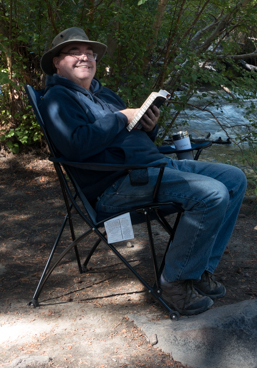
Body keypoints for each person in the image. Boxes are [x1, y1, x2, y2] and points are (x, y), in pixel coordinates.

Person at [38, 27, 246, 316]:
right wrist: (120, 117)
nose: (84, 57)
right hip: (116, 184)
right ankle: (175, 282)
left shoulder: (105, 94)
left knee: (234, 178)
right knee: (212, 193)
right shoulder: (57, 98)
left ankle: (199, 270)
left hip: (154, 167)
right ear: (57, 62)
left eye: (90, 53)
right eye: (74, 52)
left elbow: (129, 137)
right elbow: (76, 145)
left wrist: (149, 127)